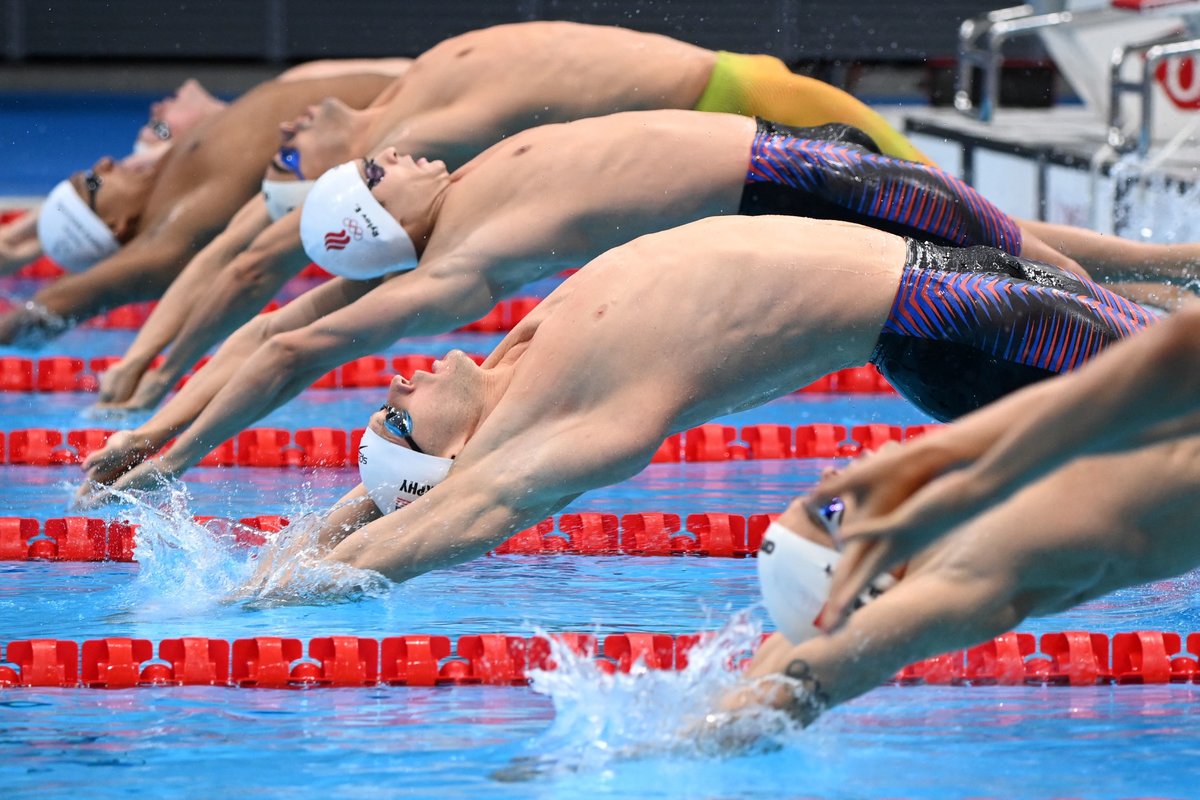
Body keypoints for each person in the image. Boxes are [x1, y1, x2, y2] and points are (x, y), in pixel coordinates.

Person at [74, 109, 1131, 499]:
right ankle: (1168, 269)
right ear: (378, 220)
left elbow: (277, 313)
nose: (385, 154)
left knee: (1053, 271)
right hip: (812, 196)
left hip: (811, 196)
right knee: (1052, 274)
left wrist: (159, 420)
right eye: (373, 173)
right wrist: (165, 446)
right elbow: (283, 332)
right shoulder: (466, 273)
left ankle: (1163, 275)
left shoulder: (489, 277)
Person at [83, 217, 1148, 602]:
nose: (393, 385)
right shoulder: (578, 417)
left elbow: (408, 495)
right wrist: (281, 601)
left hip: (944, 291)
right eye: (399, 417)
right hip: (954, 316)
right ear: (457, 449)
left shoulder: (519, 356)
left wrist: (311, 531)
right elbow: (472, 512)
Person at [88, 18, 936, 408]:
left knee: (966, 233)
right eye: (289, 161)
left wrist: (147, 359)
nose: (285, 130)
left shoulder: (391, 100)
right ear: (351, 182)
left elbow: (248, 247)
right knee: (966, 240)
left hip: (753, 108)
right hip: (757, 121)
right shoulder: (422, 132)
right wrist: (161, 376)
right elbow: (257, 270)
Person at [734, 308, 1200, 726]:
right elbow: (832, 659)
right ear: (865, 567)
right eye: (830, 508)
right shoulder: (977, 565)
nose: (834, 474)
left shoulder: (974, 500)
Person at [0, 71, 405, 346]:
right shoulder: (178, 216)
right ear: (117, 224)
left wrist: (24, 240)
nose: (104, 162)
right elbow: (99, 284)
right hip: (412, 103)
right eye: (92, 181)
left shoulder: (167, 172)